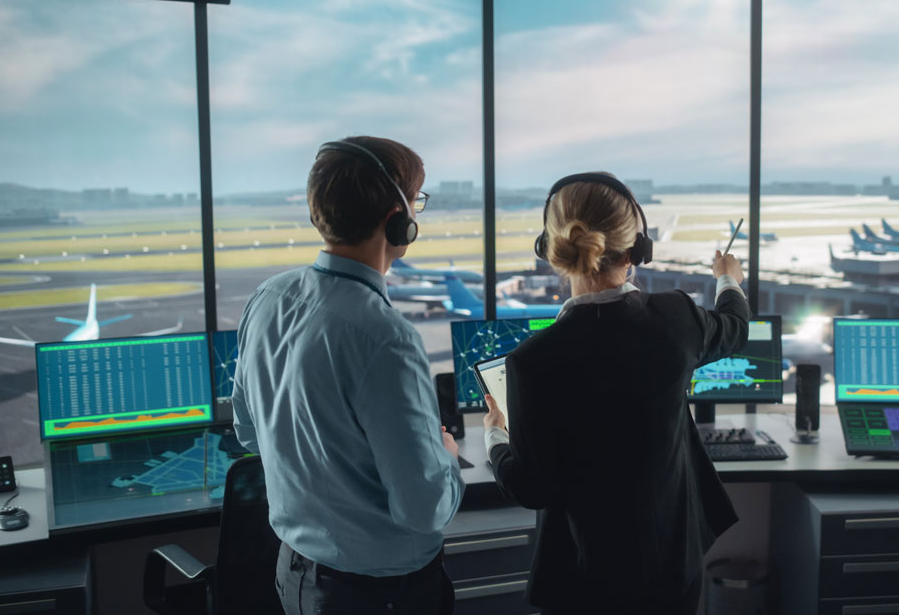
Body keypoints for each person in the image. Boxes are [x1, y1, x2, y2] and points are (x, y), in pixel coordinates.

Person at [482, 172, 749, 614]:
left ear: (549, 249)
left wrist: (496, 437)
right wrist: (727, 278)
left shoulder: (532, 362)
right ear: (637, 251)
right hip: (671, 570)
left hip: (584, 582)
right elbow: (736, 329)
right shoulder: (677, 319)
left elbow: (532, 487)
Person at [232, 136, 464, 615]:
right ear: (396, 221)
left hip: (296, 577)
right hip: (379, 596)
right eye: (417, 201)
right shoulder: (385, 338)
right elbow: (424, 510)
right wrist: (446, 454)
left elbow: (248, 433)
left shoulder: (268, 297)